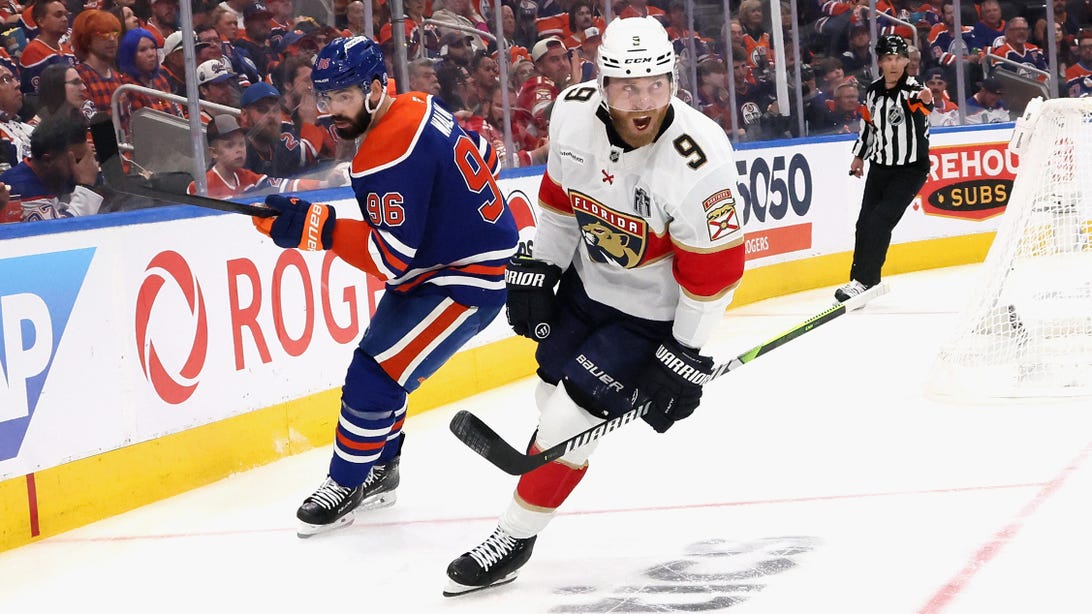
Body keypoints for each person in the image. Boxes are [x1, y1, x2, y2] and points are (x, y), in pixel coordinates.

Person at [443, 16, 744, 596]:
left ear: (673, 82)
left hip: (650, 316)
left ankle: (511, 538)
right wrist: (543, 268)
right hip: (587, 288)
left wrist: (682, 355)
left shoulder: (700, 159)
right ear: (602, 84)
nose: (644, 102)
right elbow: (560, 203)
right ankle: (573, 444)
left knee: (565, 422)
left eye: (656, 85)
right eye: (628, 88)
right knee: (549, 399)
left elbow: (714, 276)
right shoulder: (571, 113)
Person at [251, 36, 518, 537]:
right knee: (381, 367)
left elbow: (389, 258)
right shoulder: (419, 105)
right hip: (440, 267)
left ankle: (346, 483)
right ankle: (380, 470)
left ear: (376, 88)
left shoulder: (384, 151)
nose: (333, 110)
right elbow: (487, 156)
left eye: (345, 96)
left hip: (464, 280)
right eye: (327, 97)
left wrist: (318, 228)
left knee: (372, 377)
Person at [837, 34, 932, 302]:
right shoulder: (873, 91)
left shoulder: (914, 90)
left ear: (906, 61)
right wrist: (859, 156)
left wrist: (926, 101)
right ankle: (858, 279)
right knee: (864, 223)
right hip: (880, 167)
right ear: (880, 62)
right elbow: (868, 126)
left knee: (880, 221)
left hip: (910, 170)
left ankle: (866, 281)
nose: (893, 64)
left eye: (899, 58)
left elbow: (924, 106)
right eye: (888, 59)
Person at [187, 114, 327, 197]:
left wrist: (323, 184)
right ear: (214, 153)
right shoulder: (200, 187)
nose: (239, 150)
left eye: (241, 144)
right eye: (230, 145)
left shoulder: (247, 176)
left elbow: (284, 185)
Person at [1, 115, 103, 222]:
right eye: (77, 161)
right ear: (48, 160)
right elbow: (65, 230)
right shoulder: (20, 188)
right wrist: (86, 187)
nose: (84, 167)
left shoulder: (53, 175)